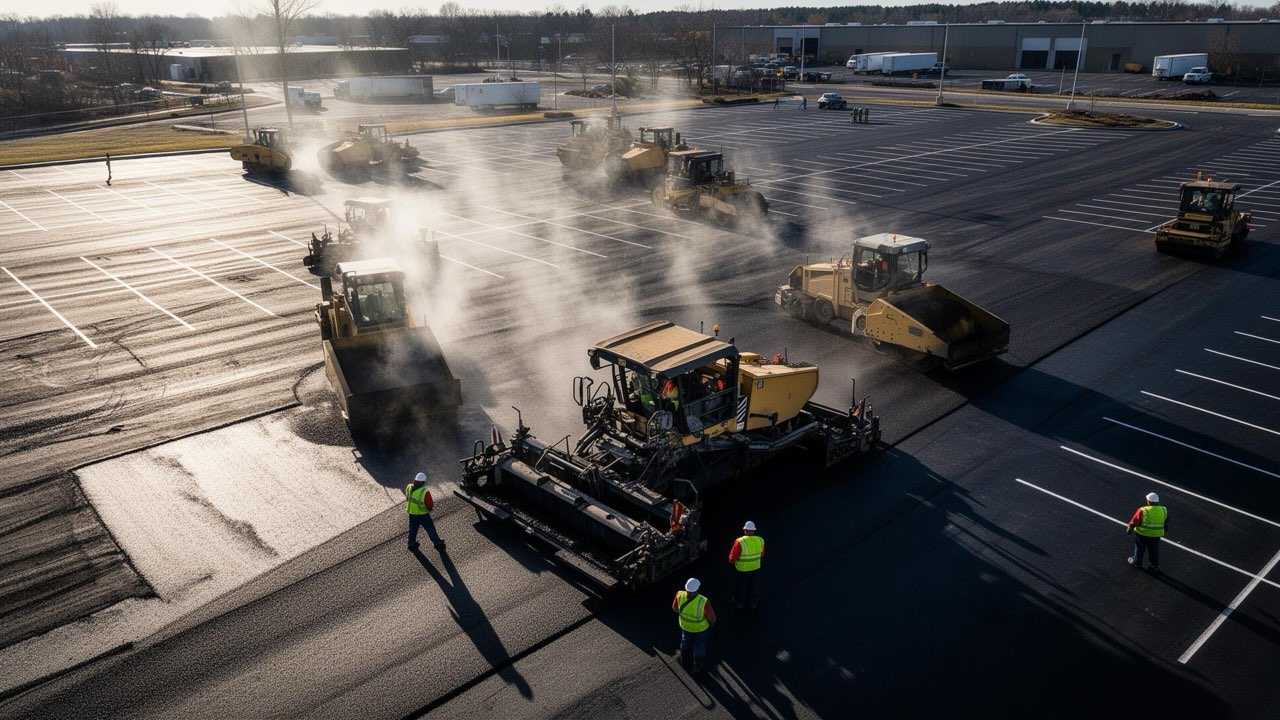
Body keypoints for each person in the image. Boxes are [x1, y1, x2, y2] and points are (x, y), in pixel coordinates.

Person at [673, 577, 716, 672]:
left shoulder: (679, 594)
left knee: (685, 641)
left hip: (685, 626)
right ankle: (697, 664)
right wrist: (712, 623)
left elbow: (675, 608)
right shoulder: (703, 601)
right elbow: (711, 617)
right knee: (699, 645)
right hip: (700, 629)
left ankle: (684, 658)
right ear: (697, 589)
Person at [1126, 492, 1166, 572]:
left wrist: (1129, 530)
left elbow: (1134, 522)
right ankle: (1154, 566)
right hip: (1156, 535)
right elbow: (1166, 521)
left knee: (1140, 548)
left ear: (1149, 501)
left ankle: (1137, 562)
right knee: (1153, 551)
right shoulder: (1163, 509)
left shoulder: (1143, 510)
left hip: (1143, 534)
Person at [729, 521, 765, 609]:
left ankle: (739, 604)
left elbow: (733, 557)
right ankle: (753, 603)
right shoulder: (760, 540)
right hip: (756, 568)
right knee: (754, 586)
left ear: (745, 530)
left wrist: (732, 562)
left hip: (742, 569)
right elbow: (762, 554)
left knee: (741, 586)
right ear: (754, 530)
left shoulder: (740, 541)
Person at [406, 472, 445, 551]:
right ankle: (437, 543)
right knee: (430, 528)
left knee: (412, 529)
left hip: (412, 513)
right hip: (422, 514)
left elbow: (408, 497)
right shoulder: (424, 491)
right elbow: (430, 504)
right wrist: (429, 508)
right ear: (423, 482)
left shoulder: (409, 487)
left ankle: (411, 543)